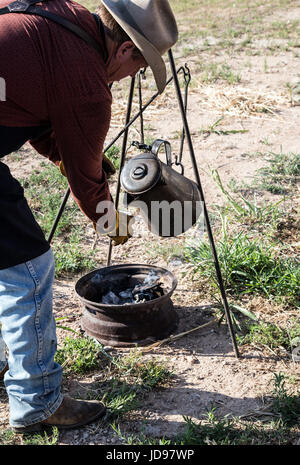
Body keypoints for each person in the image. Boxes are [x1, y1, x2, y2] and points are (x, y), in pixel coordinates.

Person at [0, 0, 178, 433]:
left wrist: (79, 158)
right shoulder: (87, 86)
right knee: (27, 269)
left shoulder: (61, 18)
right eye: (139, 67)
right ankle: (38, 402)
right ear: (125, 52)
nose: (131, 77)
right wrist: (111, 226)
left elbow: (36, 112)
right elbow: (88, 186)